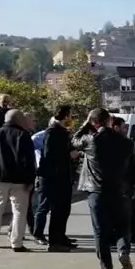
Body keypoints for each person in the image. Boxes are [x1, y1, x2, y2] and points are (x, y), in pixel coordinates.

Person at [73, 109, 135, 269]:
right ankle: (123, 251)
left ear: (94, 122)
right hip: (121, 191)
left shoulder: (91, 141)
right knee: (122, 227)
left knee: (100, 230)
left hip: (96, 192)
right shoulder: (126, 143)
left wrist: (86, 124)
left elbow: (74, 141)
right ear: (110, 121)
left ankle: (106, 268)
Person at [0, 109, 36, 251]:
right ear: (17, 120)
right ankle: (16, 243)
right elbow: (29, 160)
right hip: (19, 181)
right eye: (22, 118)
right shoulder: (23, 135)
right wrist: (30, 180)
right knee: (19, 211)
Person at [34, 105, 78, 251]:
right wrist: (69, 155)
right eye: (70, 116)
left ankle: (61, 236)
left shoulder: (62, 132)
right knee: (57, 208)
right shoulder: (53, 132)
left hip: (63, 176)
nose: (72, 119)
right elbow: (50, 155)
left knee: (64, 209)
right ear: (65, 116)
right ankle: (55, 241)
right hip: (55, 178)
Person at [112, 116, 135, 249]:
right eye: (123, 127)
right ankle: (126, 239)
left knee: (127, 212)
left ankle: (127, 236)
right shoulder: (126, 144)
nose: (126, 129)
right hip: (125, 184)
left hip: (116, 184)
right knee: (127, 213)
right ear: (115, 127)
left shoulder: (102, 142)